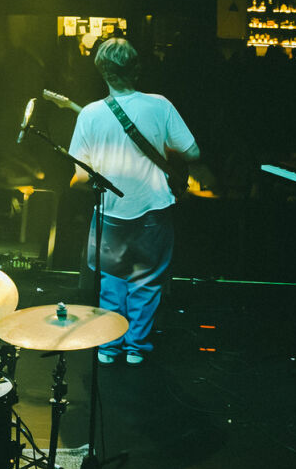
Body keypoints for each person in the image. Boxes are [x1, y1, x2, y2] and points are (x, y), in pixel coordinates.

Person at [67, 37, 211, 365]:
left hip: (110, 211)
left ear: (101, 71)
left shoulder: (89, 114)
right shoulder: (160, 105)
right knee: (146, 281)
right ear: (136, 69)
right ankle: (136, 347)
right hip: (153, 209)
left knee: (111, 280)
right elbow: (193, 152)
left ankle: (109, 347)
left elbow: (82, 176)